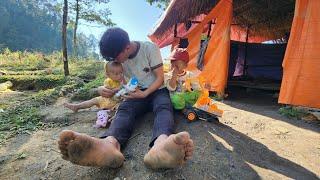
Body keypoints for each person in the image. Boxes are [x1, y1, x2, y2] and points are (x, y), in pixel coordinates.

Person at [58, 27, 194, 169]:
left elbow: (160, 78)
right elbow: (114, 76)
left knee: (164, 108)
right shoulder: (117, 57)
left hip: (157, 90)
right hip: (135, 92)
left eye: (116, 58)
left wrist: (145, 93)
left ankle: (161, 145)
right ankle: (109, 145)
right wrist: (101, 89)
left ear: (127, 48)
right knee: (125, 109)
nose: (116, 62)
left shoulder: (150, 48)